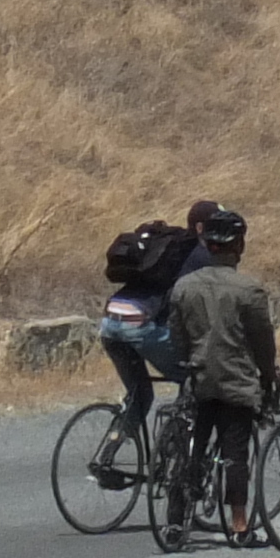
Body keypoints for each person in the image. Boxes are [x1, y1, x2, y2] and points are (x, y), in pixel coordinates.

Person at [161, 201, 278, 544]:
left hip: (197, 376)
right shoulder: (250, 290)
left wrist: (188, 362)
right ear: (238, 246)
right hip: (235, 379)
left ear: (209, 246)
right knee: (235, 453)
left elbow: (176, 334)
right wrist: (268, 376)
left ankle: (175, 521)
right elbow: (262, 342)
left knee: (192, 448)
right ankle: (240, 525)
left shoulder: (185, 286)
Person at [94, 199, 219, 481]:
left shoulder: (167, 250)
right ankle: (174, 444)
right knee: (193, 379)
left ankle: (107, 456)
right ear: (201, 227)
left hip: (111, 320)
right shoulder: (199, 256)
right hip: (141, 325)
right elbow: (190, 304)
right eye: (215, 226)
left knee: (139, 395)